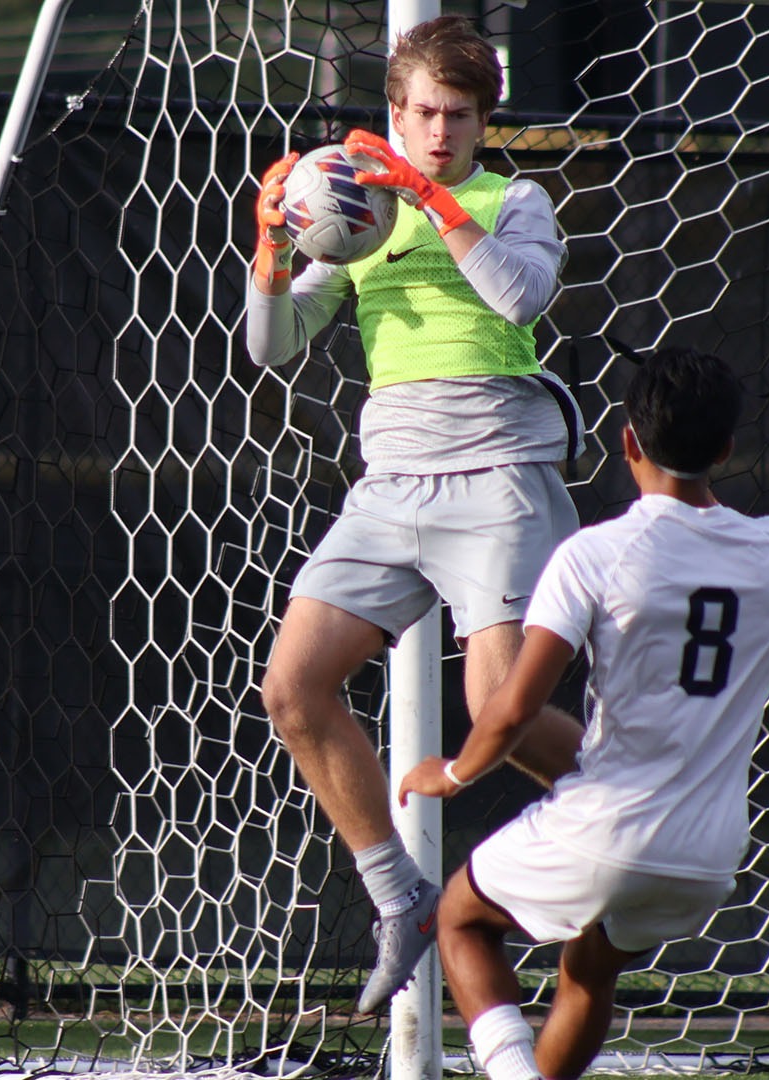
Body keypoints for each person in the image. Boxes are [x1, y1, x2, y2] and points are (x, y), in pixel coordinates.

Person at [245, 14, 584, 1014]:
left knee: (494, 709)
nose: (440, 132)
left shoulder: (511, 199)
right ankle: (400, 898)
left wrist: (432, 200)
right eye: (424, 115)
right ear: (393, 113)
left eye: (460, 117)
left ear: (484, 122)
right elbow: (273, 343)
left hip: (499, 474)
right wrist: (271, 249)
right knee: (292, 691)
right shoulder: (355, 211)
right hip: (390, 484)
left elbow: (519, 299)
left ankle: (637, 796)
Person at [396, 348, 769, 1080]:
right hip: (707, 856)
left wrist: (453, 772)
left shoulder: (596, 554)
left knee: (460, 918)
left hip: (608, 825)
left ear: (629, 442)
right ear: (727, 450)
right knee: (587, 971)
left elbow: (514, 707)